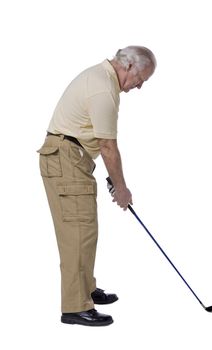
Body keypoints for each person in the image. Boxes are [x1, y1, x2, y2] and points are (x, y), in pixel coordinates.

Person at [37, 46, 156, 327]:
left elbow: (95, 138)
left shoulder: (102, 79)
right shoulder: (104, 89)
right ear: (128, 67)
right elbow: (107, 146)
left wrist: (113, 179)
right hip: (66, 160)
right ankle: (75, 307)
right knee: (77, 233)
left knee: (84, 231)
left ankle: (85, 289)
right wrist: (122, 189)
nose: (139, 87)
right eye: (141, 79)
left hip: (71, 158)